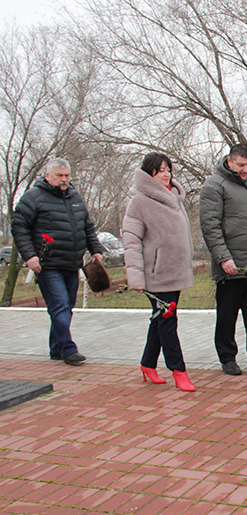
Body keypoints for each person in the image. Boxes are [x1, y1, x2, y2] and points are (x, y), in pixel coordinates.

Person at [11, 158, 105, 366]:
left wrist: (95, 250)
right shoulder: (33, 198)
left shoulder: (74, 197)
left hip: (72, 263)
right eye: (59, 175)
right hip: (47, 264)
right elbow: (19, 227)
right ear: (47, 176)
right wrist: (30, 256)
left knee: (65, 307)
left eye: (66, 176)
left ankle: (56, 348)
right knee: (60, 305)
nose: (64, 179)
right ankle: (68, 349)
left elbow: (87, 226)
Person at [199, 144, 247, 375]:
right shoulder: (214, 186)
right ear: (229, 161)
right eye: (241, 165)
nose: (245, 169)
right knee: (227, 315)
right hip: (231, 265)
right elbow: (210, 226)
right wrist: (223, 258)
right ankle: (227, 358)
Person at [122, 153, 196, 391]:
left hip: (175, 271)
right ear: (149, 175)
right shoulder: (140, 202)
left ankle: (148, 364)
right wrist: (136, 278)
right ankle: (179, 370)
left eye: (168, 169)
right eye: (160, 170)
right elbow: (131, 241)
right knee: (167, 321)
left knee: (159, 319)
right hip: (156, 274)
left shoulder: (175, 198)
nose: (166, 174)